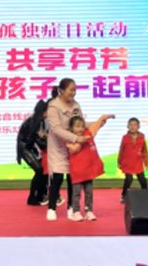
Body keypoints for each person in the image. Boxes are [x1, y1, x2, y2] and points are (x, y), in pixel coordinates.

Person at [46, 78, 108, 221]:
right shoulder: (53, 107)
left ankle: (71, 208)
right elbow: (56, 129)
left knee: (73, 178)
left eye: (75, 90)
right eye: (71, 90)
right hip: (58, 147)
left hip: (74, 148)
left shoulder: (76, 105)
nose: (73, 93)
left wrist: (98, 123)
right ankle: (51, 208)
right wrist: (75, 138)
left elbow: (81, 124)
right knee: (57, 178)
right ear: (62, 90)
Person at [66, 114, 113, 221]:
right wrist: (81, 140)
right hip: (77, 171)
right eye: (77, 126)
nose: (80, 129)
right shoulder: (69, 138)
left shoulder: (88, 133)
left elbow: (96, 126)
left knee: (89, 193)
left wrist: (102, 118)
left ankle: (89, 211)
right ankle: (76, 212)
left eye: (82, 126)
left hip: (88, 171)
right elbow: (74, 149)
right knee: (76, 193)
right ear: (71, 128)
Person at [18, 100, 50, 206]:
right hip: (25, 148)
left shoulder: (39, 121)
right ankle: (32, 198)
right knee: (39, 170)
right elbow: (41, 143)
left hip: (31, 148)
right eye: (46, 112)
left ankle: (41, 195)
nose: (48, 115)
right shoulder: (33, 122)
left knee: (43, 170)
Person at [117, 117, 148, 203]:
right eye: (130, 125)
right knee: (128, 179)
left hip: (138, 163)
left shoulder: (142, 137)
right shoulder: (125, 138)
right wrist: (119, 162)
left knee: (142, 179)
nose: (133, 127)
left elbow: (144, 151)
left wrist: (146, 162)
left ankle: (146, 194)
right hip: (127, 163)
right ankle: (123, 195)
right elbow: (121, 150)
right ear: (127, 126)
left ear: (138, 126)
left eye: (135, 125)